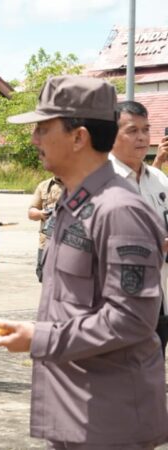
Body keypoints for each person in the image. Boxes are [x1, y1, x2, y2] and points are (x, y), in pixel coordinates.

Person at [0, 75, 168, 449]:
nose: (33, 139)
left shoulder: (118, 210)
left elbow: (131, 319)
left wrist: (39, 337)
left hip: (108, 419)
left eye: (42, 128)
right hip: (77, 410)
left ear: (79, 137)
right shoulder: (75, 201)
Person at [108, 100, 168, 355]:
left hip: (158, 297)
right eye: (132, 130)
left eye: (146, 129)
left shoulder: (159, 179)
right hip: (116, 303)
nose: (142, 137)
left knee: (153, 368)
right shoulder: (98, 181)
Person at [28, 176, 64, 280]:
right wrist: (41, 213)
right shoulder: (43, 186)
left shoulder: (77, 183)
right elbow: (31, 212)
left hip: (68, 245)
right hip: (45, 244)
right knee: (44, 278)